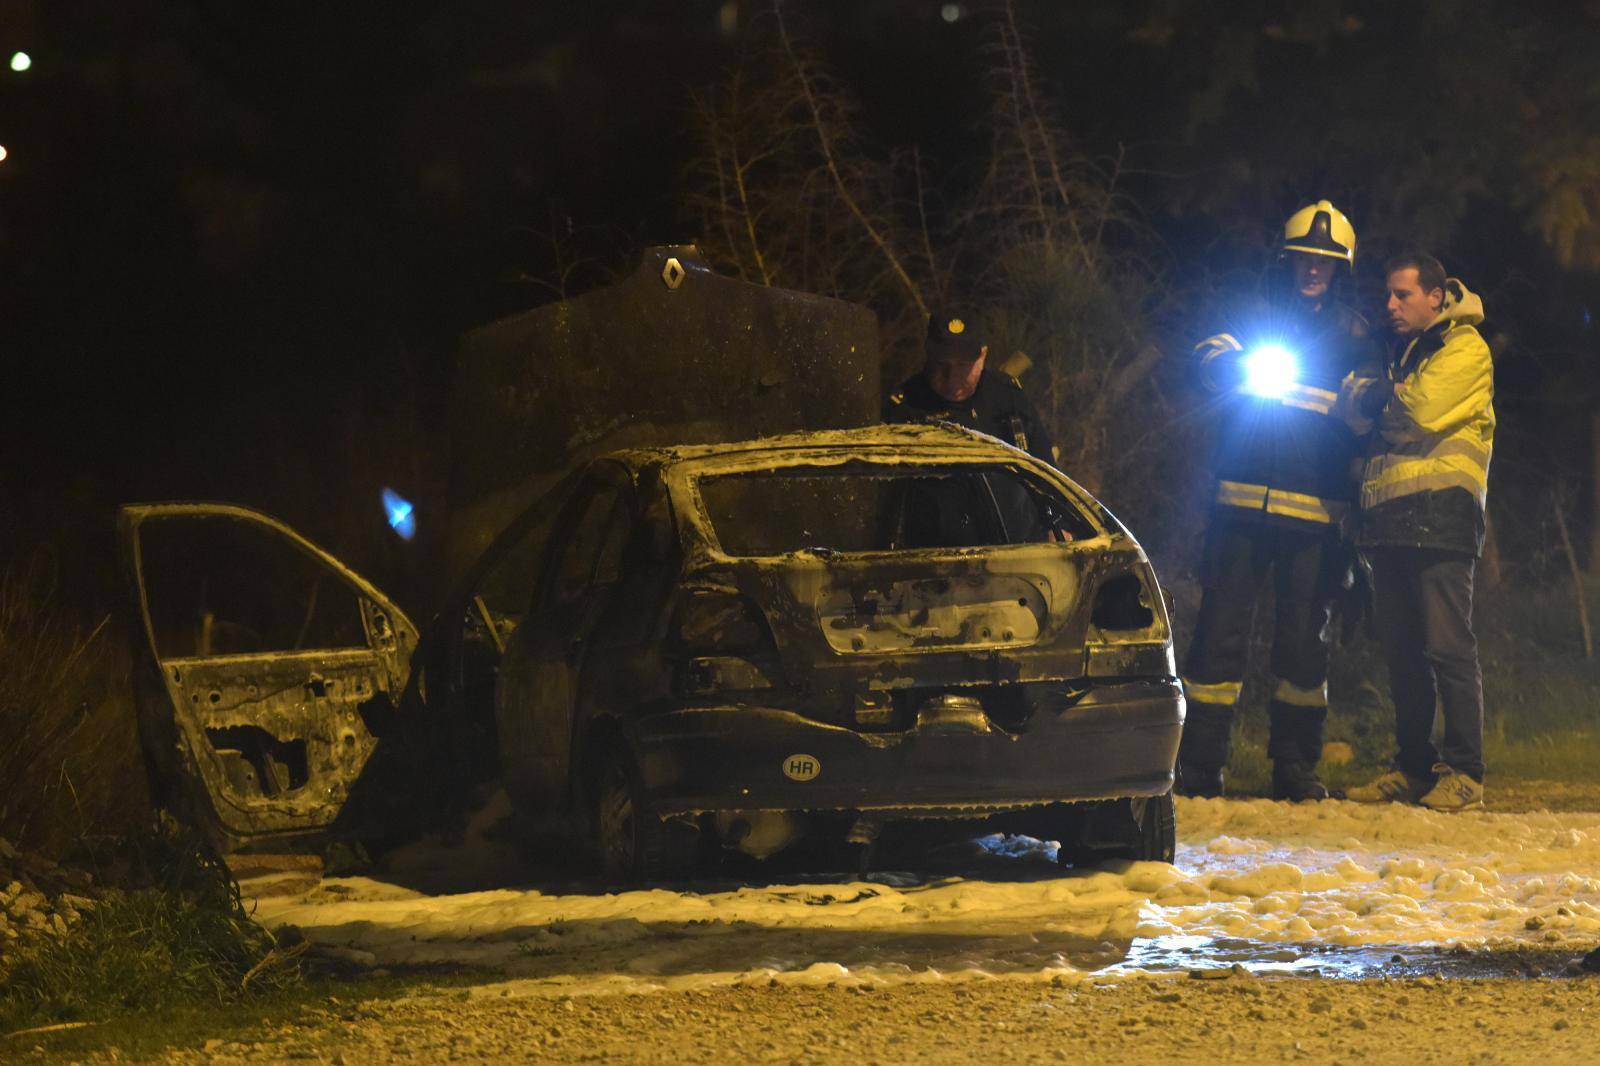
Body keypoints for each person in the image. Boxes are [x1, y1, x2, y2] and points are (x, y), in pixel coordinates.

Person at [1177, 200, 1383, 801]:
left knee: (1303, 643)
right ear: (1287, 260)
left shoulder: (1355, 334)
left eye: (1325, 261)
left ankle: (1295, 767)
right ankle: (1200, 765)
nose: (1313, 269)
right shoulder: (1254, 312)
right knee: (1217, 636)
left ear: (1341, 268)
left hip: (1316, 516)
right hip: (1238, 506)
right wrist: (1230, 363)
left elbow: (1368, 400)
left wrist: (1368, 399)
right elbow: (1203, 355)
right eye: (1304, 259)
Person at [1343, 254, 1494, 812]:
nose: (1390, 305)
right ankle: (1413, 767)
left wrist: (1379, 399)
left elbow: (1418, 411)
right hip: (1392, 522)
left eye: (1402, 294)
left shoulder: (1465, 349)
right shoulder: (1405, 354)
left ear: (1436, 296)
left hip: (1442, 518)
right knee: (1404, 653)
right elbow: (1352, 411)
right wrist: (1380, 400)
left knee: (1448, 648)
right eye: (1388, 295)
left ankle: (1465, 773)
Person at [884, 311, 1056, 468]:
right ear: (928, 355)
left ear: (983, 356)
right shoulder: (903, 408)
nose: (952, 377)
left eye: (963, 365)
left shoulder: (1008, 398)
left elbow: (1048, 475)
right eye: (941, 364)